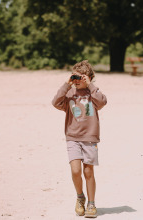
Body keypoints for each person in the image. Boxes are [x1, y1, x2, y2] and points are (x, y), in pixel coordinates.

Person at [52, 60, 107, 218]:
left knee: (88, 171)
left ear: (89, 78)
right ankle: (80, 197)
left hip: (89, 138)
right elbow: (55, 102)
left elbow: (103, 102)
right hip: (72, 137)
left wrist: (90, 85)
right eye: (74, 77)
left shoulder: (93, 94)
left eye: (80, 78)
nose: (77, 81)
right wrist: (66, 85)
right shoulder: (69, 94)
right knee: (76, 170)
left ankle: (91, 203)